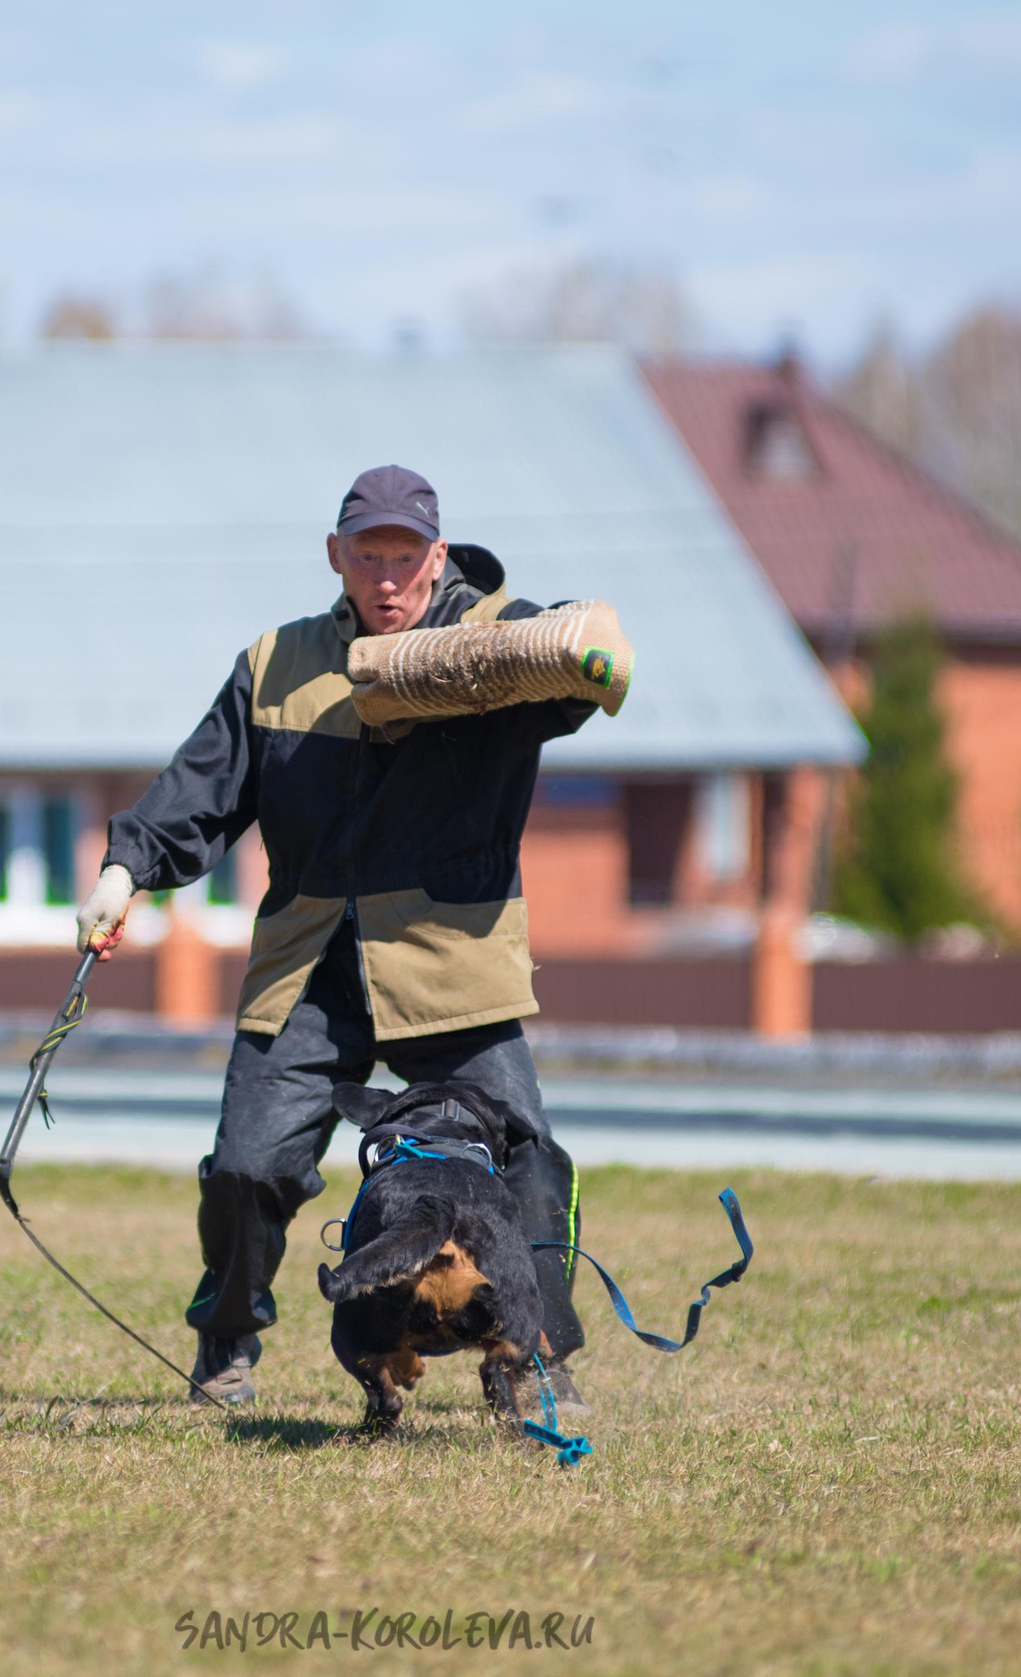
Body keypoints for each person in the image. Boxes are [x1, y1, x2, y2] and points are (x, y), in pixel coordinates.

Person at [74, 464, 603, 1412]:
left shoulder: (491, 645)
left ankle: (535, 1355)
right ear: (335, 556)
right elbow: (200, 792)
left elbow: (570, 668)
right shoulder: (276, 663)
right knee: (247, 1167)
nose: (387, 578)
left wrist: (578, 639)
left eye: (406, 557)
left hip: (451, 964)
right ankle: (226, 1339)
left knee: (532, 1157)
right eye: (368, 556)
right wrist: (123, 873)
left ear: (438, 557)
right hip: (309, 967)